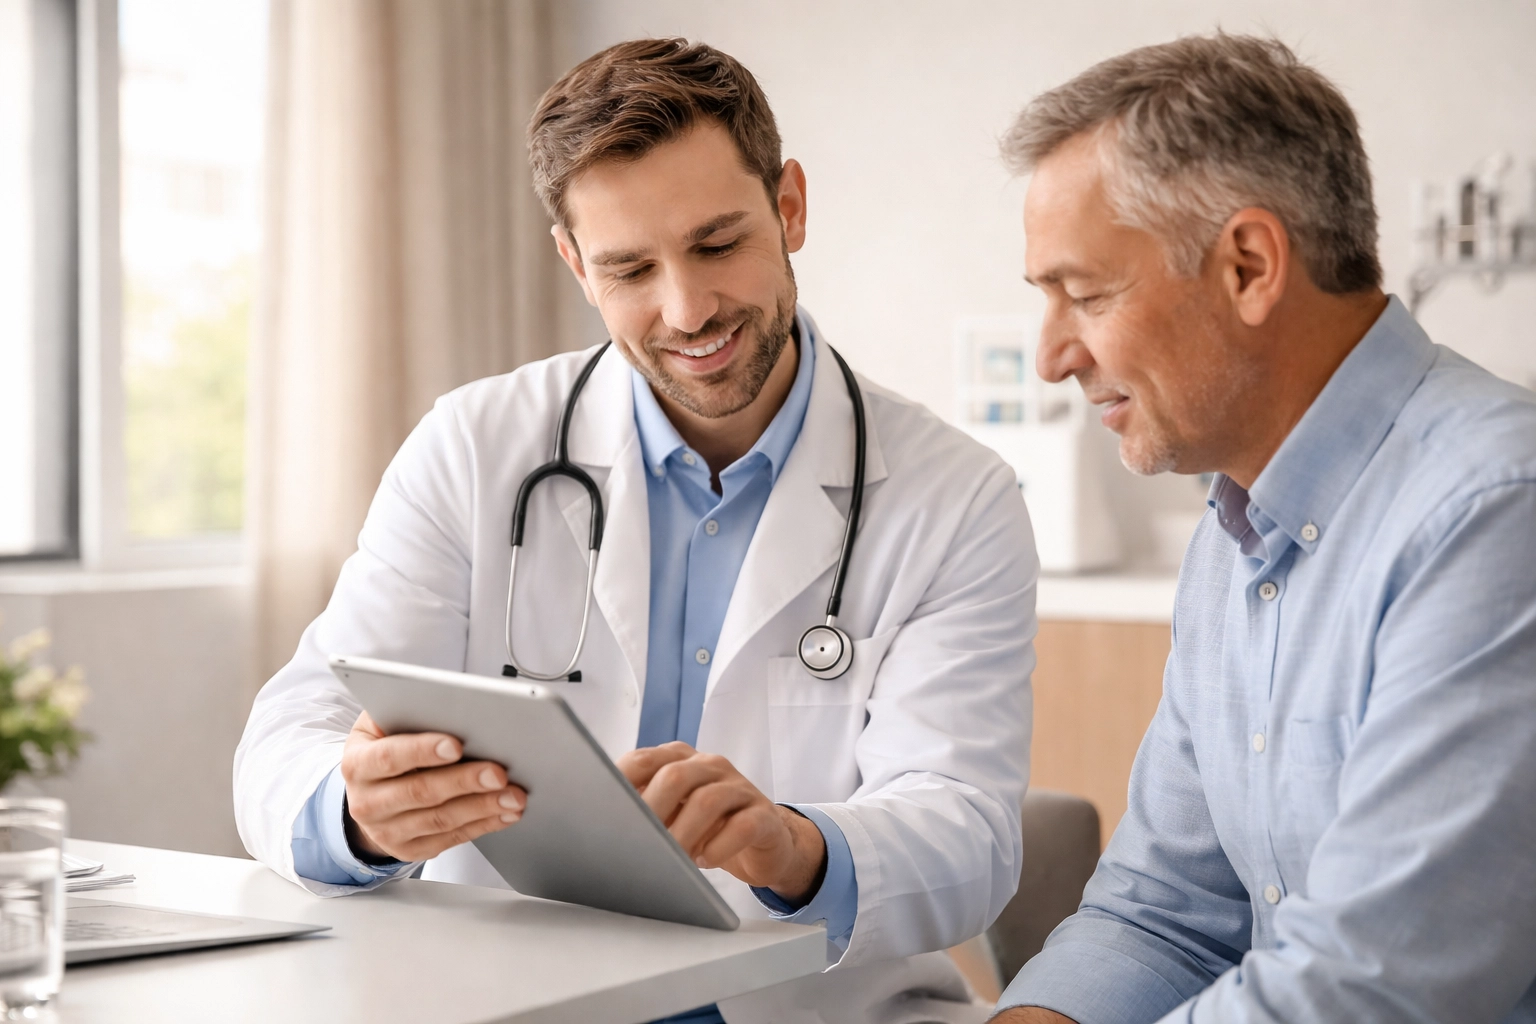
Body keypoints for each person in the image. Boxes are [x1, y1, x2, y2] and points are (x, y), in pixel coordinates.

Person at [234, 38, 1039, 1024]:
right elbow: (290, 738)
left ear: (789, 206)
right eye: (629, 268)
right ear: (576, 264)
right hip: (511, 1002)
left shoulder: (956, 496)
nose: (687, 310)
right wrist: (358, 812)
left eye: (718, 245)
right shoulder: (474, 447)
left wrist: (794, 846)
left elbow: (968, 838)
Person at [988, 32, 1536, 1024]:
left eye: (1087, 295)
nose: (1053, 357)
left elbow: (1375, 986)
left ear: (1249, 265)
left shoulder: (1495, 512)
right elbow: (1163, 914)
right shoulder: (1234, 531)